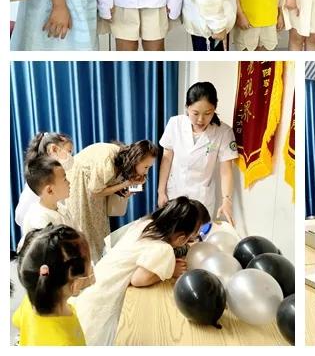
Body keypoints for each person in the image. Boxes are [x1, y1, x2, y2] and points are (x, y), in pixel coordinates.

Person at [74, 196, 208, 345]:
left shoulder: (146, 225)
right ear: (182, 238)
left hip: (96, 286)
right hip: (104, 302)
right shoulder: (163, 249)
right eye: (192, 235)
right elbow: (138, 280)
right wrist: (170, 270)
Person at [158, 82, 237, 225]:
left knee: (198, 235)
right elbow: (167, 159)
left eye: (208, 113)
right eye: (195, 113)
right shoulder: (175, 124)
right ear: (187, 107)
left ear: (214, 109)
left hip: (202, 198)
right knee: (172, 232)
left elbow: (226, 170)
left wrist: (227, 200)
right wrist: (161, 191)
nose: (201, 119)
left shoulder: (223, 132)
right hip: (174, 193)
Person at [65, 141, 158, 262]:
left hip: (94, 188)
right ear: (136, 160)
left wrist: (126, 190)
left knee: (97, 228)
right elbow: (95, 192)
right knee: (84, 228)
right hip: (79, 182)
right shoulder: (108, 162)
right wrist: (126, 184)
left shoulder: (124, 161)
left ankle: (96, 263)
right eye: (146, 167)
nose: (146, 172)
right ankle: (85, 265)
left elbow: (110, 186)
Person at [13, 225, 95, 345]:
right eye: (89, 262)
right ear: (75, 281)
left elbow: (17, 321)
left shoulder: (30, 302)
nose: (92, 267)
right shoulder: (65, 344)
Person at [15, 132, 74, 229]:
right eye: (69, 152)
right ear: (53, 149)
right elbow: (20, 217)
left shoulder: (61, 208)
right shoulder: (39, 183)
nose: (71, 157)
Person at [18, 158, 76, 250]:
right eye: (65, 179)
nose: (69, 182)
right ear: (49, 190)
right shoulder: (38, 221)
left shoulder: (62, 208)